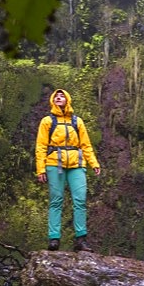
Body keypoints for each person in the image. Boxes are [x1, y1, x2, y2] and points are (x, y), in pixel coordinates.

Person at [35, 88, 101, 251]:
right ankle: (54, 238)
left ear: (67, 100)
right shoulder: (47, 121)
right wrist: (40, 169)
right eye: (56, 96)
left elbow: (85, 144)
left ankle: (81, 239)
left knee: (80, 200)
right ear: (52, 100)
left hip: (76, 164)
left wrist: (94, 163)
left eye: (62, 96)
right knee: (56, 200)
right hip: (54, 163)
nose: (58, 97)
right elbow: (41, 146)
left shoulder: (77, 121)